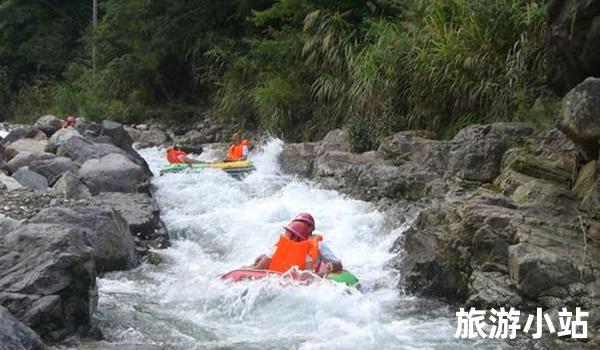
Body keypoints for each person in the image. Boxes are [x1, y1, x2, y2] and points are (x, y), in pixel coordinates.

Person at [251, 213, 343, 276]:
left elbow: (308, 275)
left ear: (311, 228)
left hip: (282, 279)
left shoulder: (317, 246)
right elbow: (308, 277)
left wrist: (328, 269)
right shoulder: (282, 247)